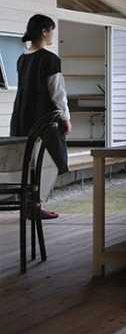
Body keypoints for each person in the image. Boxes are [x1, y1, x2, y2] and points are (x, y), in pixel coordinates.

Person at [10, 14, 71, 219]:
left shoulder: (22, 59)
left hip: (21, 115)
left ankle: (30, 206)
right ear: (44, 31)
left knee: (29, 161)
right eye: (51, 29)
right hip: (43, 117)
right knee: (52, 158)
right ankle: (34, 205)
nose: (52, 34)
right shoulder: (50, 59)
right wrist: (66, 117)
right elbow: (57, 92)